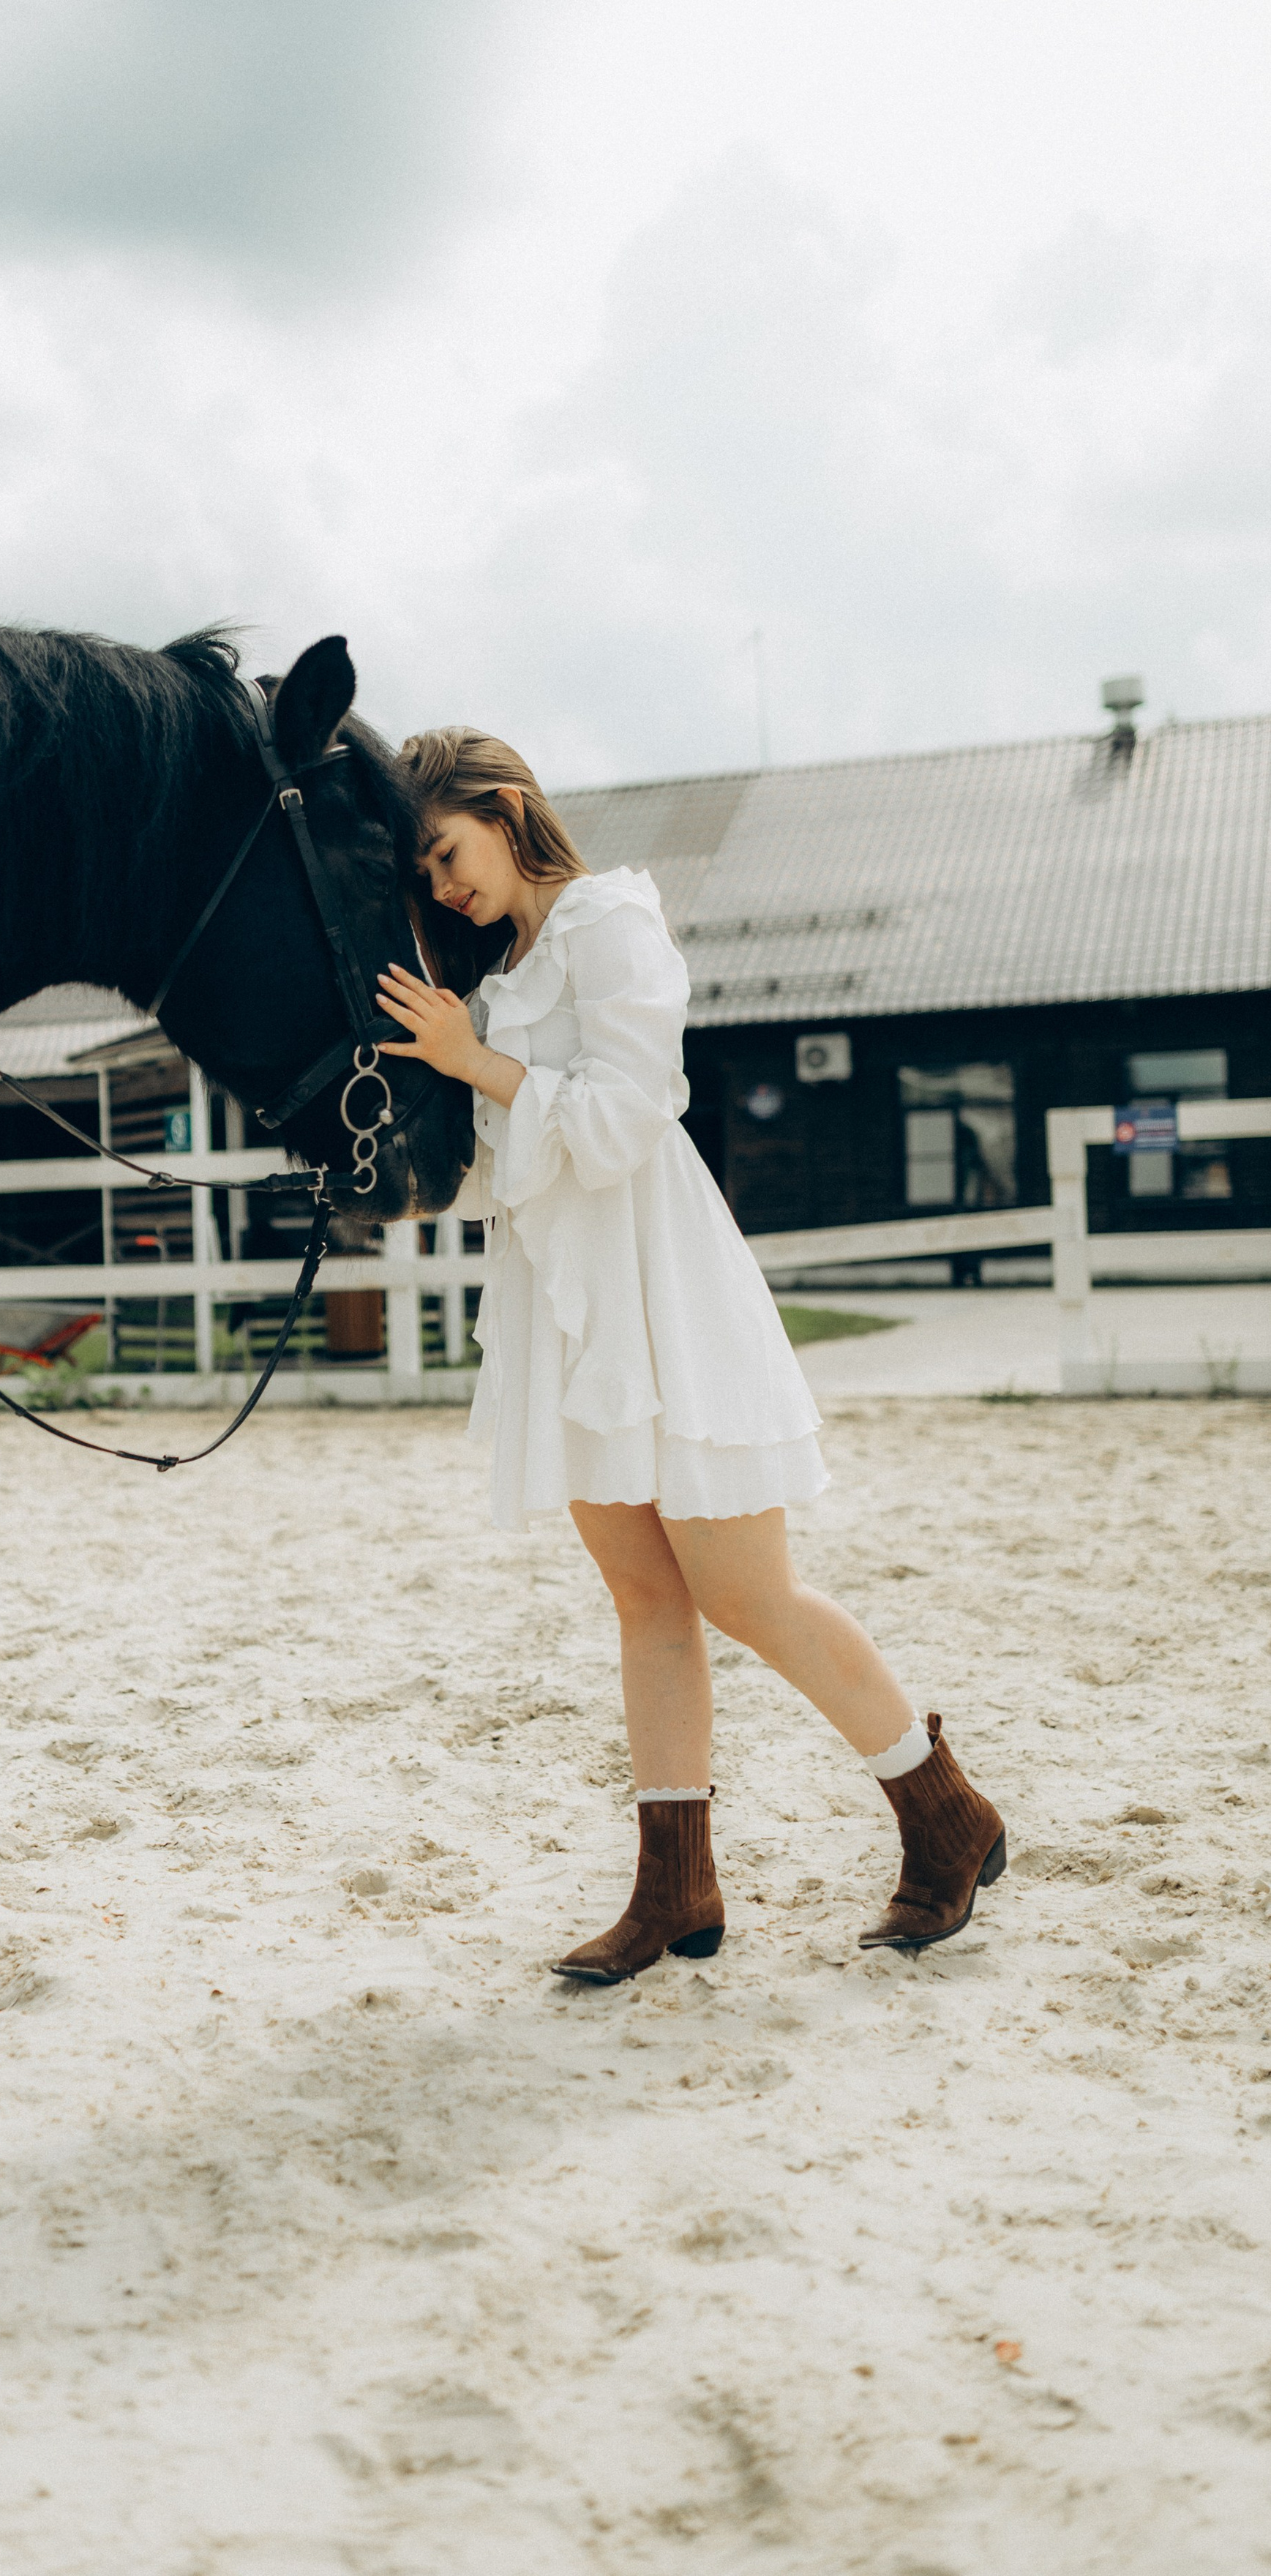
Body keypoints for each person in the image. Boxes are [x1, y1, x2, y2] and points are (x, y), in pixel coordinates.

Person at [377, 727, 1005, 1980]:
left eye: (447, 853)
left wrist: (475, 1062)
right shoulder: (496, 981)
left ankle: (944, 1813)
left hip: (661, 1288)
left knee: (747, 1594)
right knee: (646, 1599)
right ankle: (675, 1886)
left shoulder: (610, 923)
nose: (442, 887)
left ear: (506, 810)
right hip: (572, 1305)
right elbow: (511, 1163)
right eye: (427, 872)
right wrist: (413, 1153)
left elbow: (624, 1116)